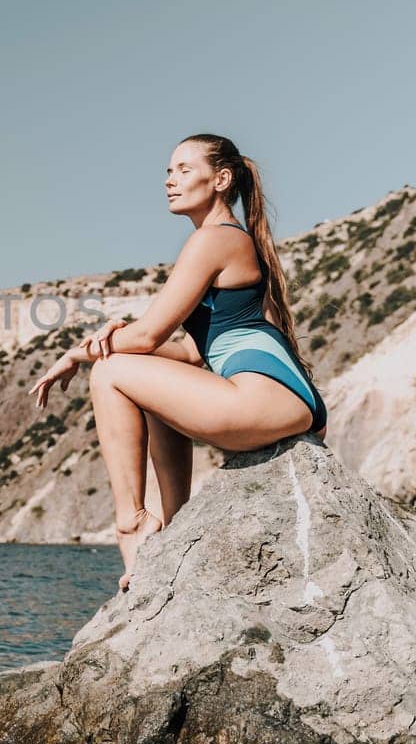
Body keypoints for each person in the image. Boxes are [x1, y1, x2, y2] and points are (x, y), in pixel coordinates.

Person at [28, 134, 328, 593]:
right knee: (135, 370)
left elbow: (149, 334)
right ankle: (175, 523)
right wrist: (119, 343)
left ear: (222, 179)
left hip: (263, 399)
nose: (170, 181)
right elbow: (190, 352)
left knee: (110, 372)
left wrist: (79, 354)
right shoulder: (227, 241)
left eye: (184, 169)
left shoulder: (214, 240)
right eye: (168, 171)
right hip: (284, 400)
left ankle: (132, 523)